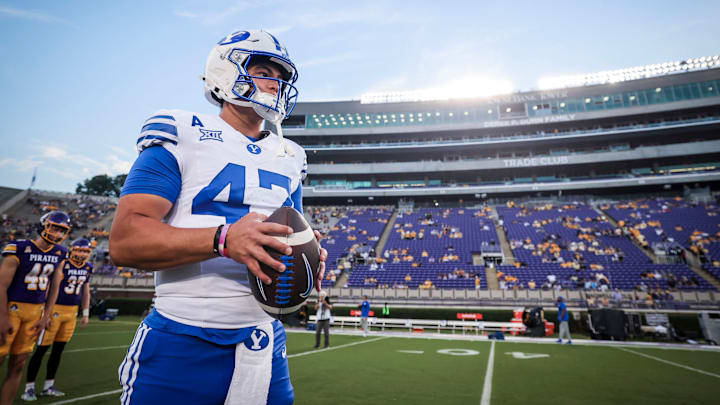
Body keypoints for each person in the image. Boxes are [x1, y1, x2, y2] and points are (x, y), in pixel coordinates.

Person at [110, 30, 327, 405]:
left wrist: (306, 252)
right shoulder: (181, 131)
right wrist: (223, 239)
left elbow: (288, 232)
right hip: (183, 334)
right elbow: (126, 241)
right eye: (264, 71)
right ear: (225, 72)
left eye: (283, 78)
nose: (276, 85)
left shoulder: (291, 155)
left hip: (264, 343)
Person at [0, 212, 69, 405]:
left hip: (34, 313)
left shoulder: (60, 253)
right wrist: (2, 317)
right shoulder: (19, 248)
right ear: (43, 225)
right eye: (54, 227)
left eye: (62, 230)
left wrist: (46, 315)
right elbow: (1, 285)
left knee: (18, 364)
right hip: (10, 309)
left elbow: (55, 286)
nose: (57, 233)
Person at [21, 238, 93, 400]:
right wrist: (46, 312)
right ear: (72, 249)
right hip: (55, 311)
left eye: (86, 251)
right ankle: (29, 388)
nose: (82, 254)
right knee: (41, 350)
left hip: (72, 313)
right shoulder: (63, 264)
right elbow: (50, 288)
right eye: (79, 250)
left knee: (58, 352)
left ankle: (48, 386)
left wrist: (86, 312)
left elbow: (86, 291)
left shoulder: (88, 267)